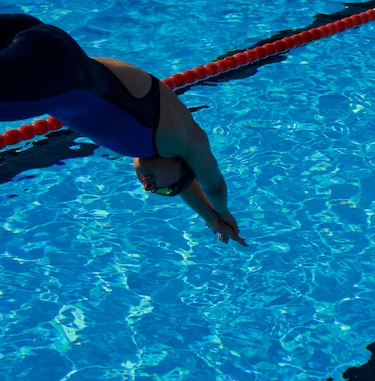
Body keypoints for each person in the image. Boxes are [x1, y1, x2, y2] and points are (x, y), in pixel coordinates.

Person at [0, 14, 247, 246]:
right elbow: (212, 185)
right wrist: (222, 214)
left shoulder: (163, 141)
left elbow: (183, 182)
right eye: (163, 189)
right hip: (52, 72)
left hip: (41, 40)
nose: (148, 188)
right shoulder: (181, 140)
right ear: (184, 164)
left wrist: (208, 217)